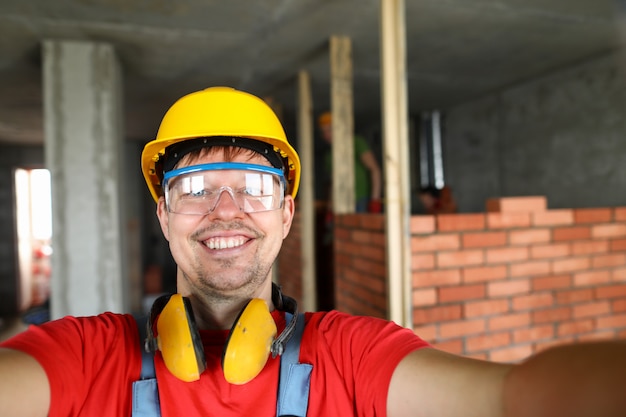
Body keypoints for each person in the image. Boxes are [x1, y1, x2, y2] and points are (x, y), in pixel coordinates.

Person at [1, 86, 625, 417]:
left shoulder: (350, 357)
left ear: (288, 213)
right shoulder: (88, 357)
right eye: (194, 188)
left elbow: (512, 398)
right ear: (163, 214)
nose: (226, 209)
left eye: (254, 187)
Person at [318, 111, 382, 213]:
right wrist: (330, 206)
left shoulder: (356, 142)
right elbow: (333, 182)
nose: (326, 134)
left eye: (330, 129)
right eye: (323, 131)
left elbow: (374, 169)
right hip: (341, 202)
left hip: (362, 200)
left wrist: (375, 200)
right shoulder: (329, 155)